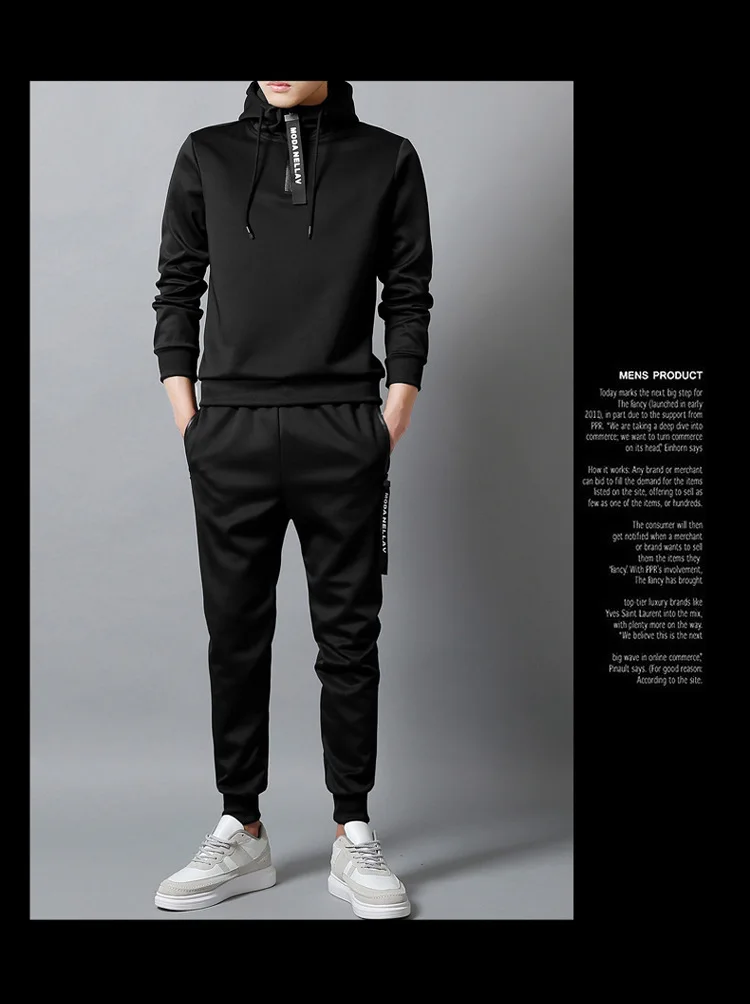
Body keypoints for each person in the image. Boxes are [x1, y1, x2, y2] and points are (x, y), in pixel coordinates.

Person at [151, 80, 433, 919]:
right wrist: (191, 422)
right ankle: (241, 827)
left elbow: (408, 293)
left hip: (341, 428)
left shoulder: (388, 158)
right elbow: (177, 288)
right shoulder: (207, 153)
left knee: (349, 637)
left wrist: (388, 422)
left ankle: (353, 832)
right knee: (234, 637)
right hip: (229, 431)